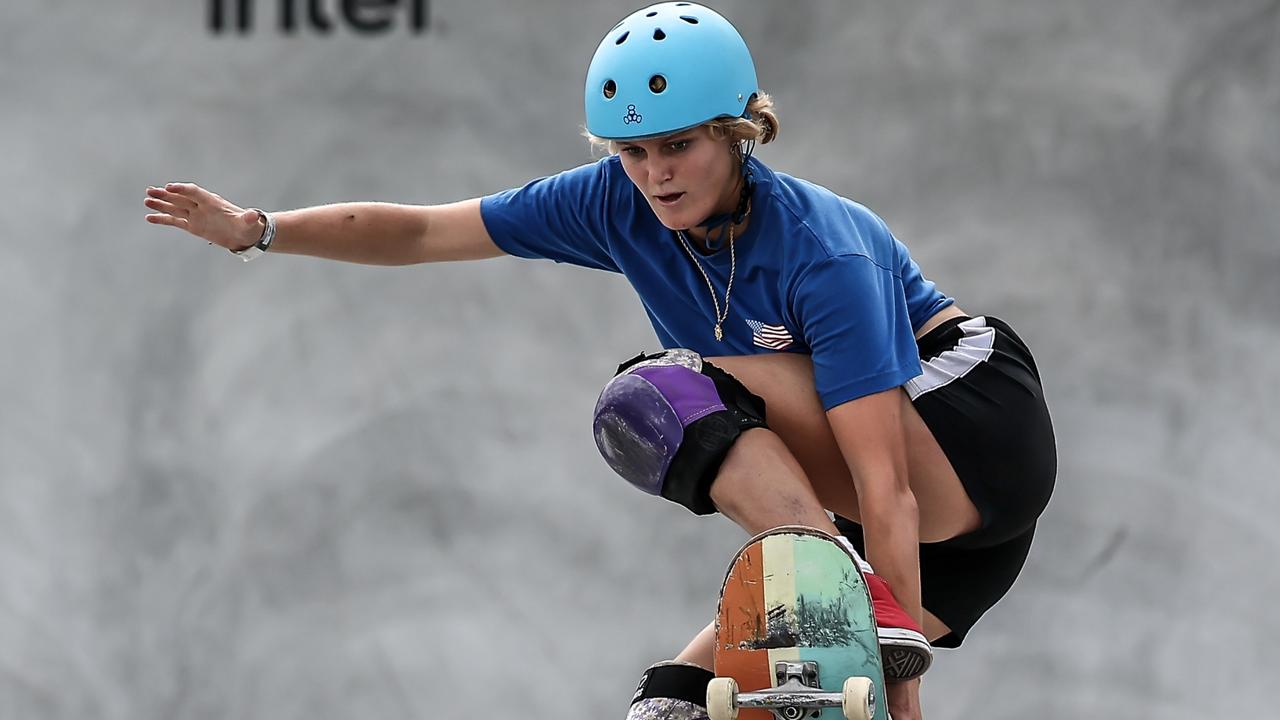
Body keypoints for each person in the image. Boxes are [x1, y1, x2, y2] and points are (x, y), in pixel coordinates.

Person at [143, 3, 1056, 718]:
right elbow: (424, 230)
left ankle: (838, 588)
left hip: (967, 423)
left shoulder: (825, 252)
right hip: (967, 548)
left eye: (679, 147)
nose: (655, 175)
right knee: (675, 702)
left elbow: (883, 486)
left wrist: (901, 692)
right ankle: (827, 596)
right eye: (631, 154)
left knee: (663, 394)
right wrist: (261, 231)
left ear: (737, 133)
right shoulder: (608, 203)